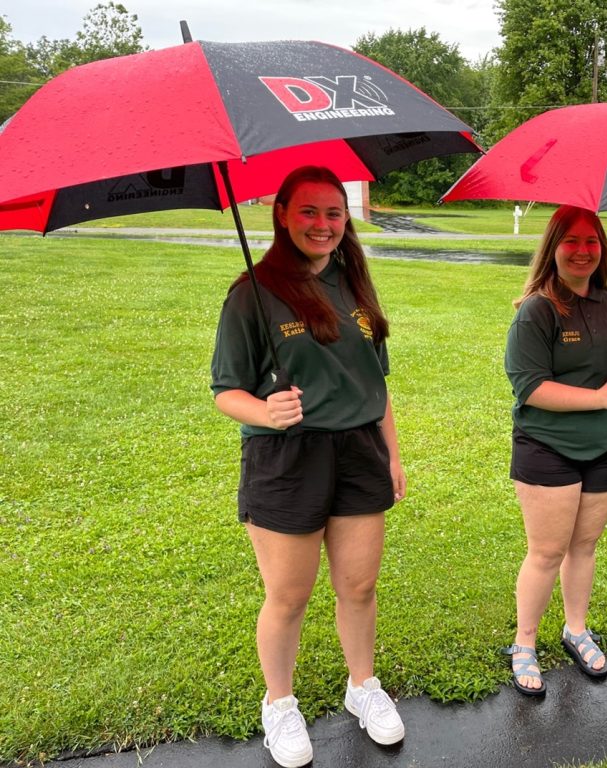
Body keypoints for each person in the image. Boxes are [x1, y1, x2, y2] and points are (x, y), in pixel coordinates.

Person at [210, 166, 406, 767]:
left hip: (359, 452)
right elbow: (225, 390)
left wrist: (393, 455)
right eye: (310, 212)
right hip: (286, 457)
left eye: (334, 213)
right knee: (289, 595)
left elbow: (378, 381)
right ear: (282, 214)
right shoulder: (252, 291)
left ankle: (362, 687)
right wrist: (266, 412)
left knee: (359, 585)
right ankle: (279, 702)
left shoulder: (355, 283)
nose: (323, 225)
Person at [503, 204, 607, 696]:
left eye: (591, 241)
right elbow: (530, 387)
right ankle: (524, 644)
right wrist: (600, 398)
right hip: (549, 448)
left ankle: (575, 630)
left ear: (603, 248)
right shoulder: (537, 310)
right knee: (546, 551)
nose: (583, 251)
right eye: (572, 241)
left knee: (584, 547)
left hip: (605, 447)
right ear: (553, 248)